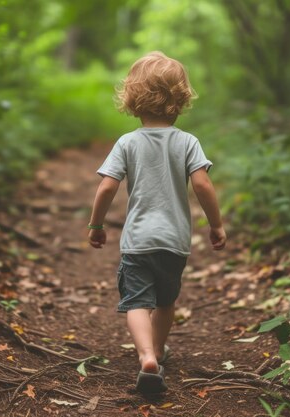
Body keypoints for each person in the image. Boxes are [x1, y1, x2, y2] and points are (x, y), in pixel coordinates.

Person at [87, 51, 226, 394]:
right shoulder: (187, 141)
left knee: (136, 300)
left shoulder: (127, 142)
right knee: (165, 301)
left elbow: (107, 186)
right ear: (179, 99)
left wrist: (96, 225)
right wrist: (215, 225)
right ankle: (159, 350)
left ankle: (146, 355)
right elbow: (203, 184)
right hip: (175, 240)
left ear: (133, 99)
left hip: (137, 240)